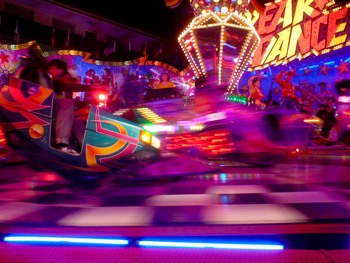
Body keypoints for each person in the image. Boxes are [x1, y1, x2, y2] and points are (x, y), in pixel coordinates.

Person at [47, 59, 80, 154]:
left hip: (50, 108)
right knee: (67, 103)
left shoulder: (53, 82)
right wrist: (93, 88)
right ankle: (62, 143)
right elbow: (66, 87)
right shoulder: (49, 79)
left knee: (78, 118)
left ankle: (84, 147)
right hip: (44, 109)